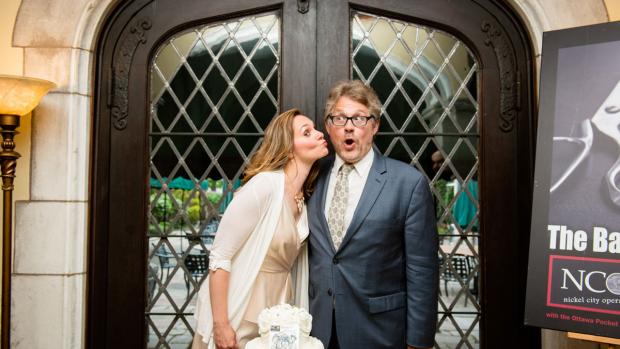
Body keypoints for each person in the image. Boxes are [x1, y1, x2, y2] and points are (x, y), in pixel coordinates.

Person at [307, 80, 439, 349]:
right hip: (316, 329)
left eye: (359, 118)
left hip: (379, 332)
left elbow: (422, 270)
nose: (348, 126)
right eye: (339, 118)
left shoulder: (408, 183)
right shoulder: (311, 176)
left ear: (375, 126)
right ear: (328, 126)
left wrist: (419, 341)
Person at [192, 108, 329, 349]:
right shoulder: (263, 187)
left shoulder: (302, 198)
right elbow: (220, 257)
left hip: (279, 310)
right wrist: (221, 324)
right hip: (242, 307)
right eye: (307, 132)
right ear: (287, 148)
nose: (319, 134)